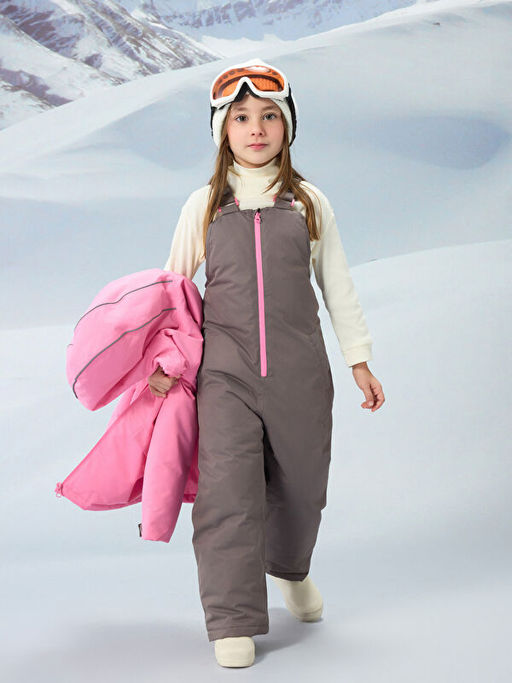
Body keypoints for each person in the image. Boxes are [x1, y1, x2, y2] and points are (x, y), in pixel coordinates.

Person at [148, 58, 385, 668]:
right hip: (224, 375)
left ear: (288, 127)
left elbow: (337, 283)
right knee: (228, 495)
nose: (256, 128)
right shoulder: (204, 205)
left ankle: (291, 568)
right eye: (241, 117)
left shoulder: (308, 203)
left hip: (300, 371)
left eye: (269, 116)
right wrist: (165, 360)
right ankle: (232, 617)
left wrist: (358, 359)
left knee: (302, 489)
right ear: (222, 131)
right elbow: (174, 290)